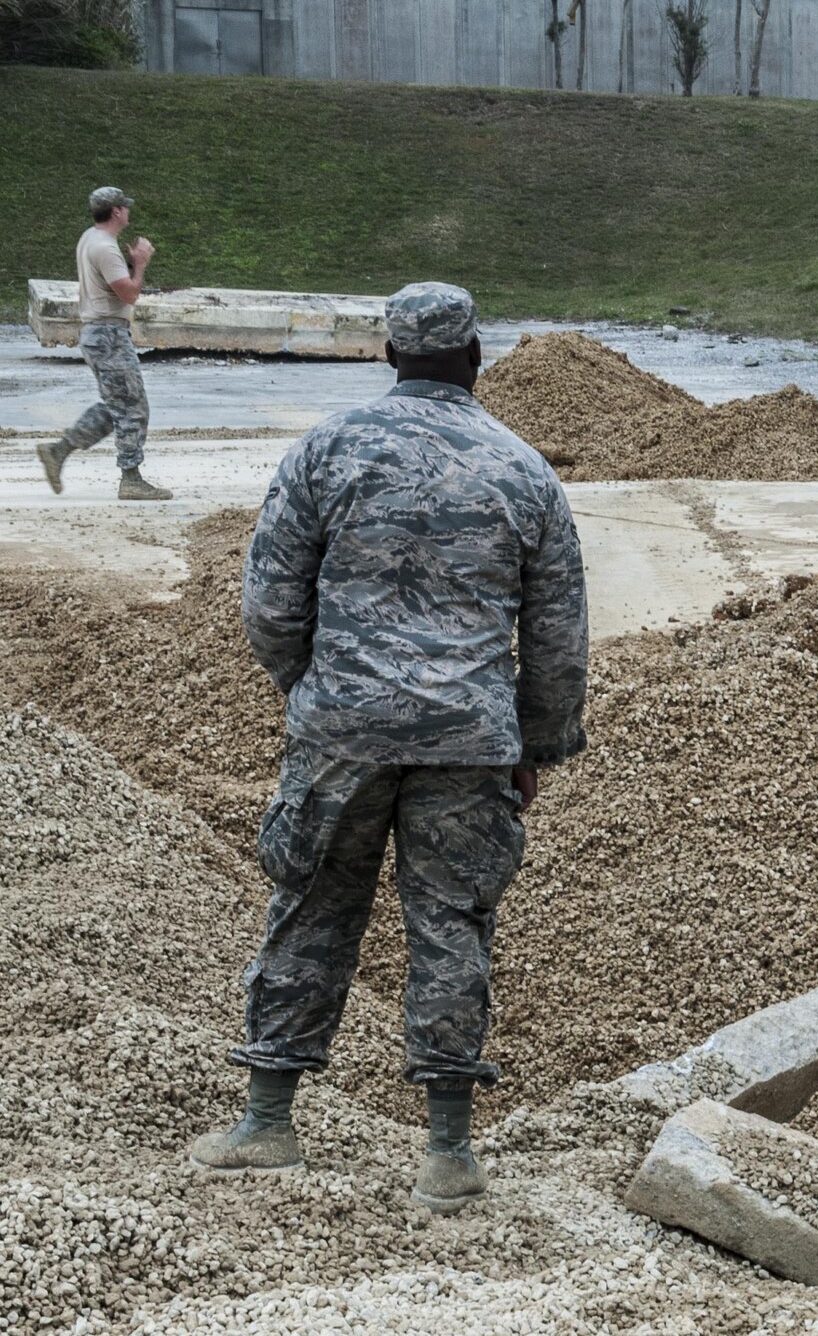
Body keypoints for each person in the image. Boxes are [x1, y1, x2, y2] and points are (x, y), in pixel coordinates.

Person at [188, 283, 590, 1215]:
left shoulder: (327, 450)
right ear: (476, 356)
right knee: (452, 927)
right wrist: (535, 743)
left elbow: (270, 601)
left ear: (390, 356)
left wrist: (313, 692)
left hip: (343, 733)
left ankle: (267, 1122)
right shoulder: (524, 471)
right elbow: (561, 639)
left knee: (312, 907)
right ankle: (447, 1151)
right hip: (468, 741)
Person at [38, 187, 171, 500]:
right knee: (134, 408)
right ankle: (131, 479)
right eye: (124, 207)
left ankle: (58, 451)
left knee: (117, 407)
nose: (127, 211)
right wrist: (139, 263)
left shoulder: (90, 238)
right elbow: (129, 294)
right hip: (109, 335)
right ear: (116, 212)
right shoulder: (105, 248)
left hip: (98, 333)